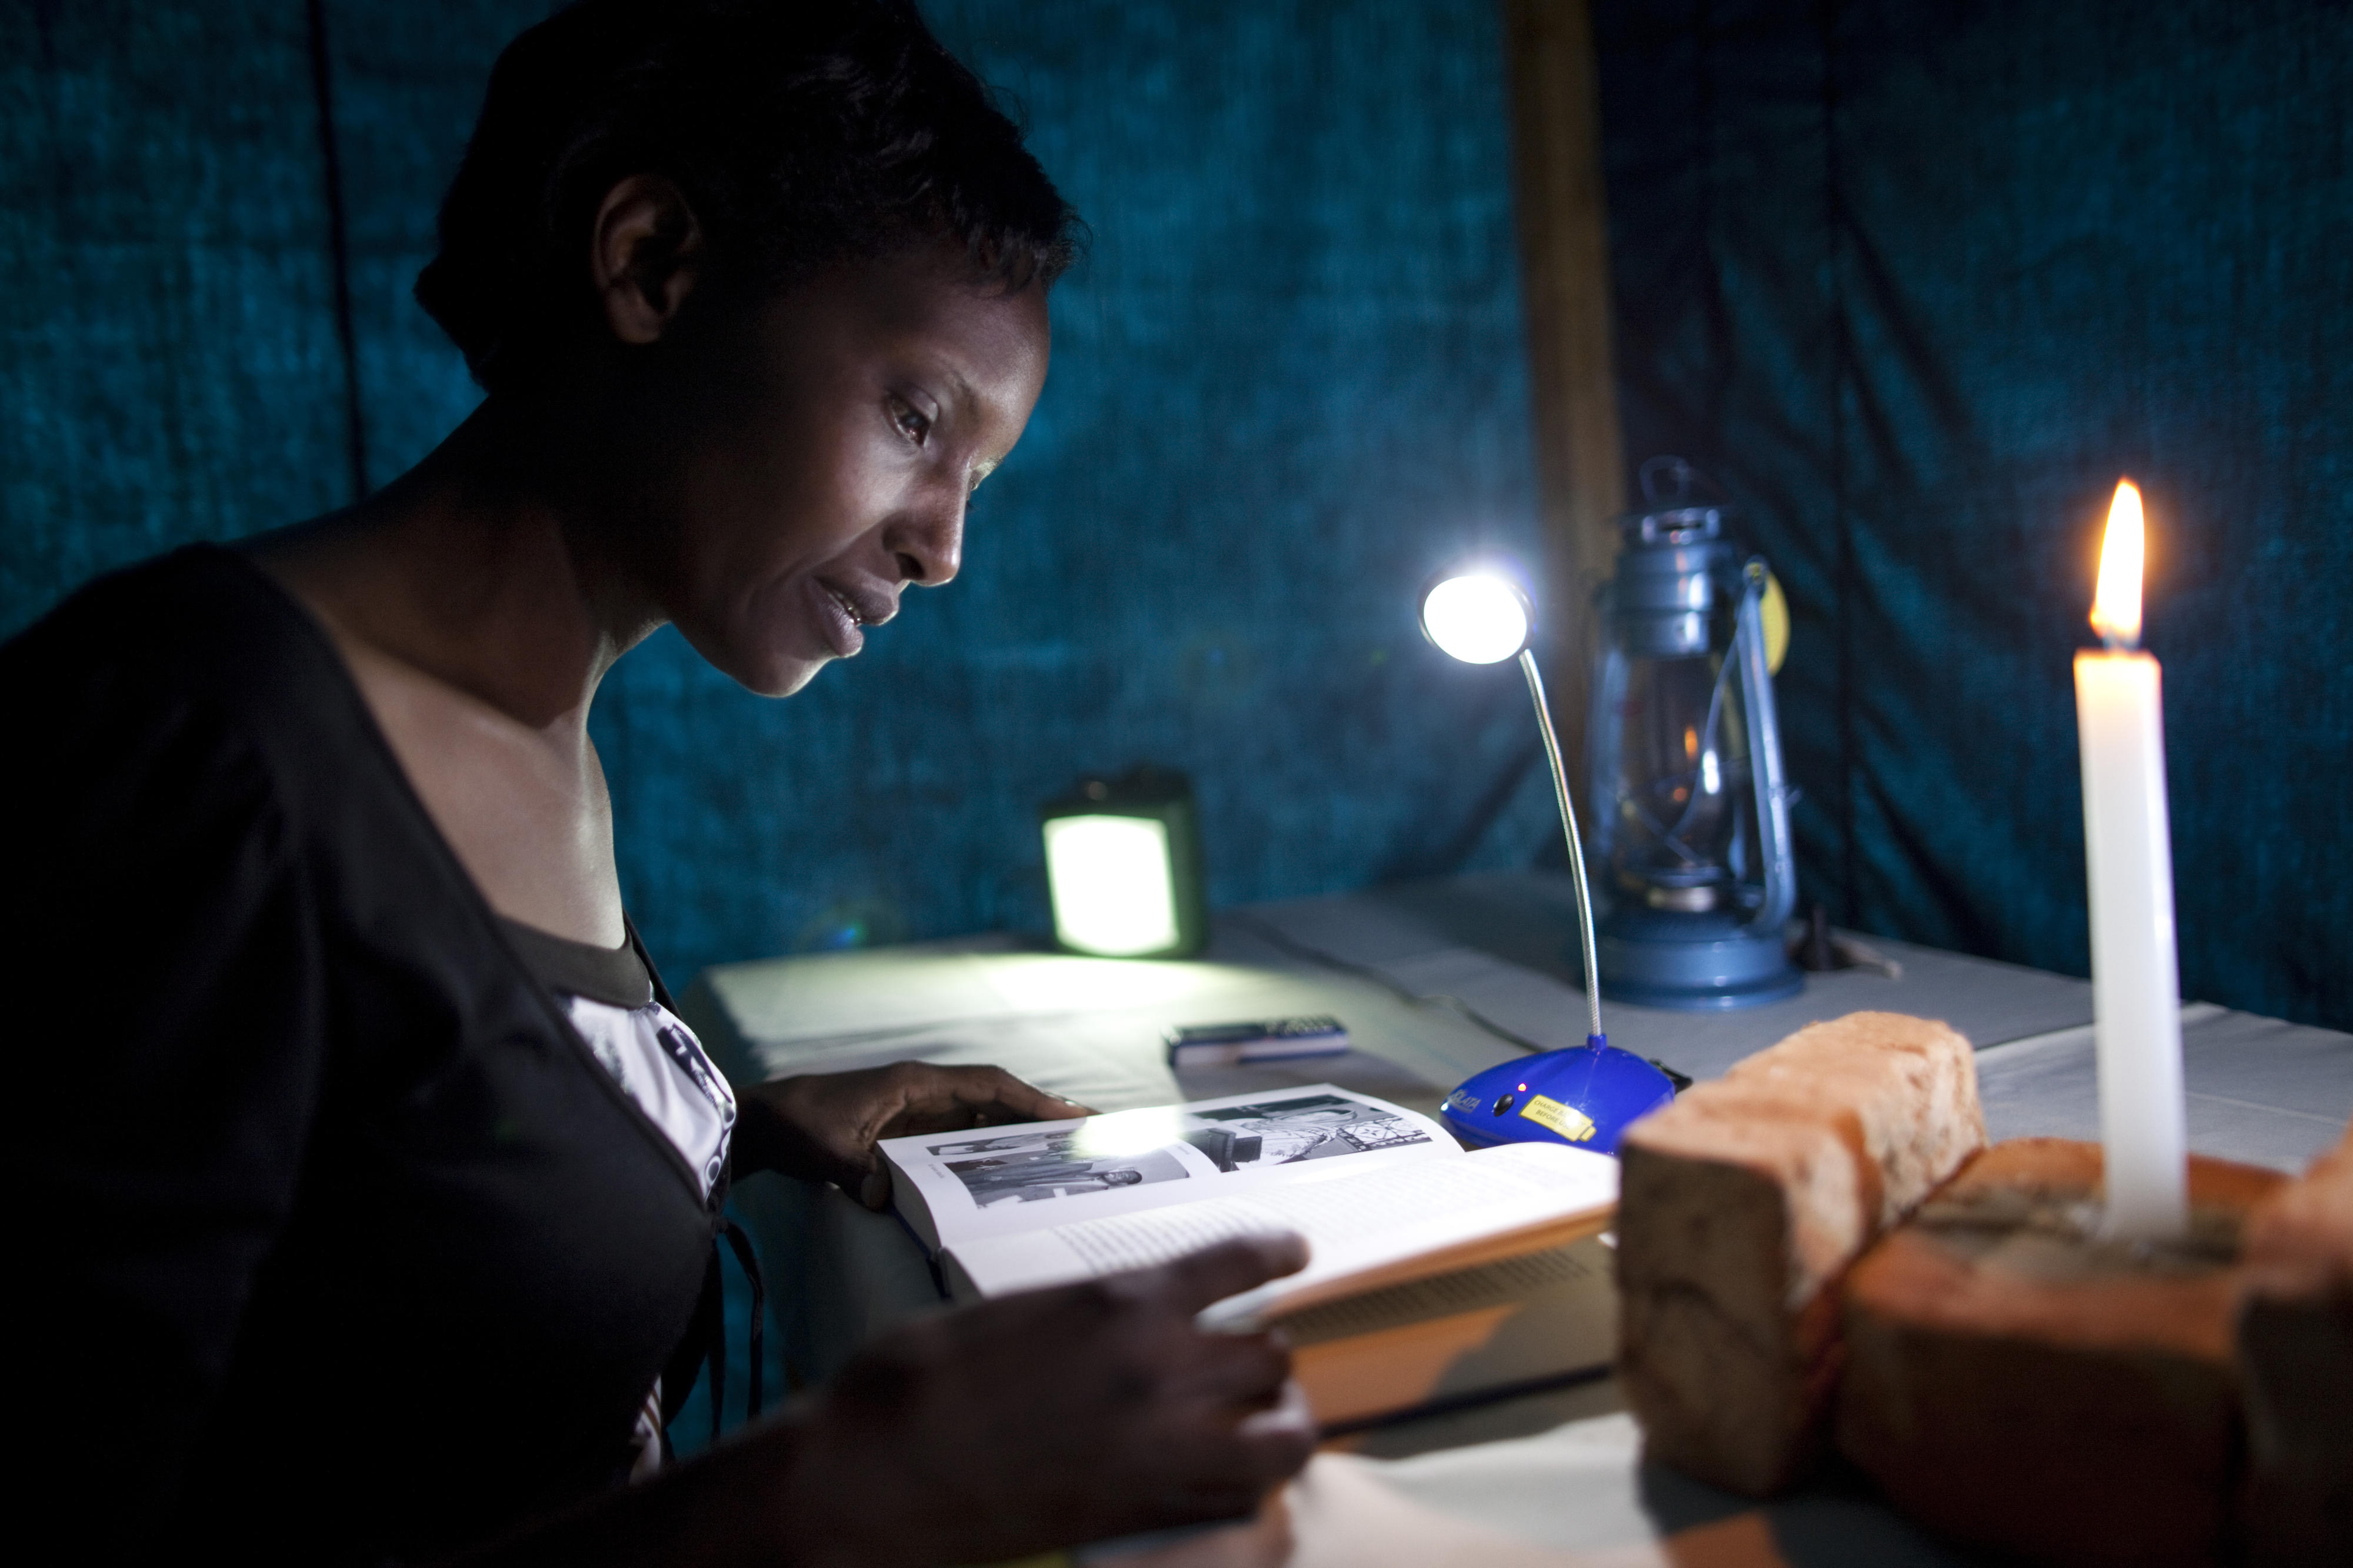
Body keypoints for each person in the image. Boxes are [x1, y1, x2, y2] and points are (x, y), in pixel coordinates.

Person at [2, 3, 1312, 1563]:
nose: (943, 547)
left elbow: (369, 1213)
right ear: (652, 266)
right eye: (914, 419)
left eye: (977, 480)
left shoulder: (539, 738)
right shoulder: (187, 751)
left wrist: (721, 1132)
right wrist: (830, 1493)